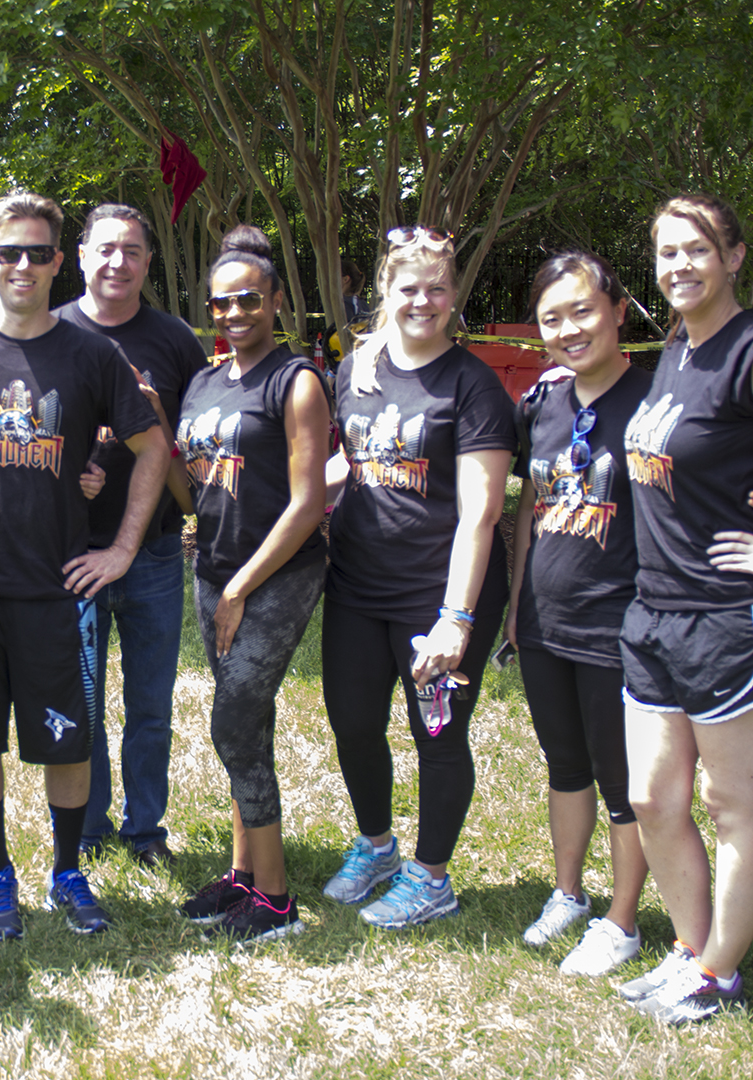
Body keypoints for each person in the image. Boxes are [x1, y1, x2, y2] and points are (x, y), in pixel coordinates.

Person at [0, 192, 170, 940]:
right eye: (8, 252)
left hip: (56, 590)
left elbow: (152, 447)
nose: (22, 265)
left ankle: (66, 870)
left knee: (70, 740)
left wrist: (121, 549)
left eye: (37, 252)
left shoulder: (92, 354)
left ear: (60, 261)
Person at [319, 225, 515, 928]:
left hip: (438, 592)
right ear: (385, 293)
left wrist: (456, 620)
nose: (423, 301)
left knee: (436, 734)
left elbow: (481, 514)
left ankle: (432, 877)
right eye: (410, 288)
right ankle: (377, 847)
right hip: (357, 585)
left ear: (454, 295)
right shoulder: (356, 369)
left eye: (437, 288)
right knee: (351, 722)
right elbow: (349, 463)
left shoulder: (473, 386)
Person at [617, 192, 753, 1023]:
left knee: (732, 804)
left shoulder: (745, 350)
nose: (680, 267)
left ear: (735, 257)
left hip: (724, 617)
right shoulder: (678, 350)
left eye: (697, 249)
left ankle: (721, 969)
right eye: (667, 253)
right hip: (655, 612)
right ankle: (694, 953)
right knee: (652, 799)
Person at [174, 225, 331, 942]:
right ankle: (243, 873)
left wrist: (240, 587)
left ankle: (275, 901)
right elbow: (193, 483)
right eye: (221, 304)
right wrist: (152, 423)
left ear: (274, 300)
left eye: (248, 300)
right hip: (212, 570)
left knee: (233, 719)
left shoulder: (294, 381)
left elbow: (307, 504)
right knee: (251, 727)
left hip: (275, 576)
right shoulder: (206, 381)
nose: (234, 314)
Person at [505, 252, 651, 975]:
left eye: (583, 311)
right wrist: (512, 603)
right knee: (565, 766)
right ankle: (570, 894)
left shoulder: (655, 400)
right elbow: (529, 503)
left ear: (619, 310)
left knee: (623, 781)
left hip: (619, 627)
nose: (569, 329)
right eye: (552, 319)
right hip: (543, 620)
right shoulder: (543, 403)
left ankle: (623, 923)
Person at [53, 203, 208, 867]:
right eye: (106, 249)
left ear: (148, 262)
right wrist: (70, 475)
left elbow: (198, 450)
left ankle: (146, 831)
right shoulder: (50, 331)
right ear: (81, 255)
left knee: (149, 703)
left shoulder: (174, 340)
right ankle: (86, 829)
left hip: (152, 552)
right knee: (80, 702)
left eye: (133, 251)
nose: (118, 263)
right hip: (71, 555)